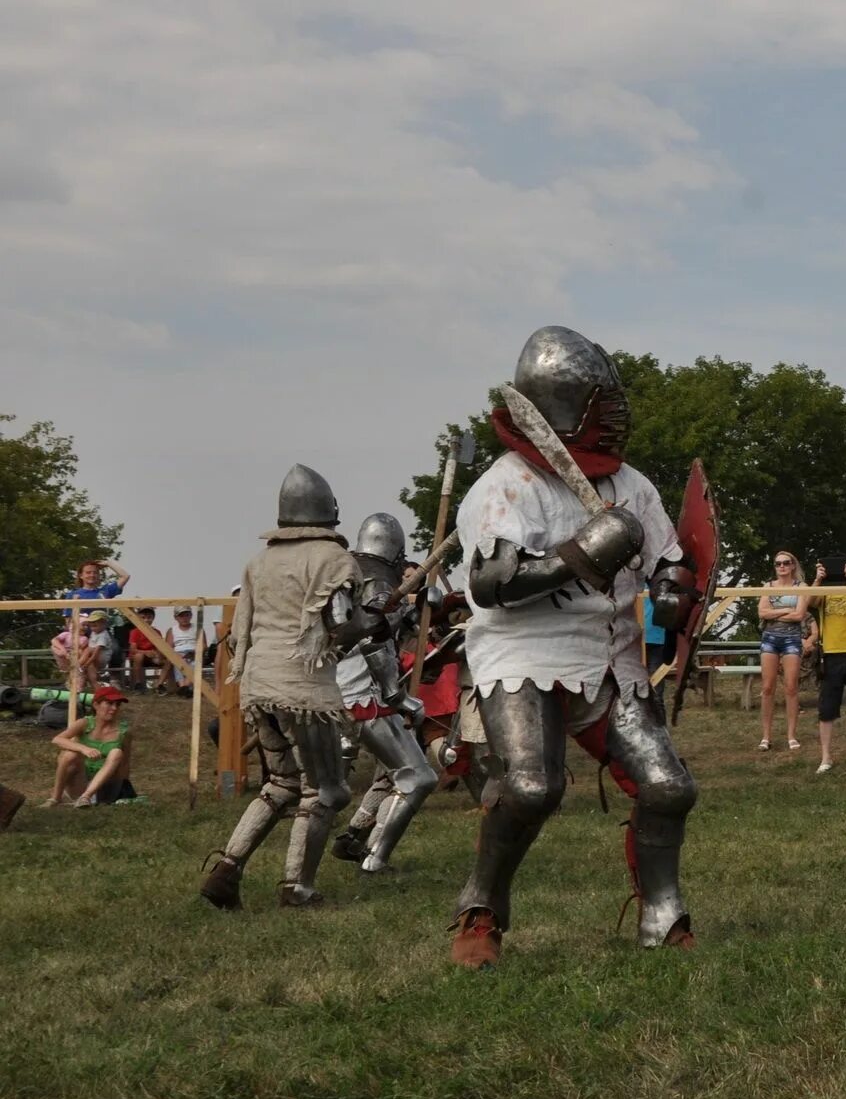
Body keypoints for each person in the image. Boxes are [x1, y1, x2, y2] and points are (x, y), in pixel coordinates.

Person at [448, 325, 703, 967]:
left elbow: (670, 559)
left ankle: (662, 916)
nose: (614, 414)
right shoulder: (506, 486)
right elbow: (492, 583)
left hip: (611, 657)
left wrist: (673, 593)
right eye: (600, 402)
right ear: (566, 406)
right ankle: (480, 912)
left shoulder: (631, 486)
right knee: (533, 788)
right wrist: (581, 554)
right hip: (523, 656)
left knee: (669, 786)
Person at [199, 465, 380, 911]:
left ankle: (226, 870)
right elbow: (338, 626)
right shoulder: (333, 560)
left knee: (282, 783)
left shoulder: (259, 562)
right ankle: (296, 887)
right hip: (302, 690)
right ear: (328, 512)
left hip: (259, 686)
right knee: (327, 791)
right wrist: (374, 620)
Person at [328, 513, 439, 875]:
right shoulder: (378, 578)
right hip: (365, 693)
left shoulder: (352, 571)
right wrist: (398, 697)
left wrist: (419, 611)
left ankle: (356, 839)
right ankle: (374, 859)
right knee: (417, 778)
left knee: (396, 775)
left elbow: (381, 626)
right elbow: (373, 640)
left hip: (343, 688)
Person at [810, 560, 846, 772]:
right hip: (831, 655)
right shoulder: (823, 593)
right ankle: (826, 757)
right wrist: (818, 578)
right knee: (827, 709)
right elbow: (808, 601)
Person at [49, 685, 138, 806]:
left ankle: (86, 797)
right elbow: (57, 739)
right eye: (109, 703)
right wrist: (83, 748)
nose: (114, 708)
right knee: (69, 754)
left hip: (106, 786)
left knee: (116, 752)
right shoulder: (85, 723)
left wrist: (125, 788)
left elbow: (125, 763)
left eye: (117, 705)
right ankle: (55, 799)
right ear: (96, 705)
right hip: (81, 782)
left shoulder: (124, 731)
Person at [756, 552, 808, 750]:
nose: (782, 566)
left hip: (792, 638)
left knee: (791, 686)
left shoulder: (801, 587)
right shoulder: (767, 587)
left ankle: (791, 735)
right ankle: (766, 736)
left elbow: (800, 615)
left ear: (793, 565)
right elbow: (762, 612)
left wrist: (775, 613)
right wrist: (787, 611)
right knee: (768, 687)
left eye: (786, 563)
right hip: (770, 637)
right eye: (778, 563)